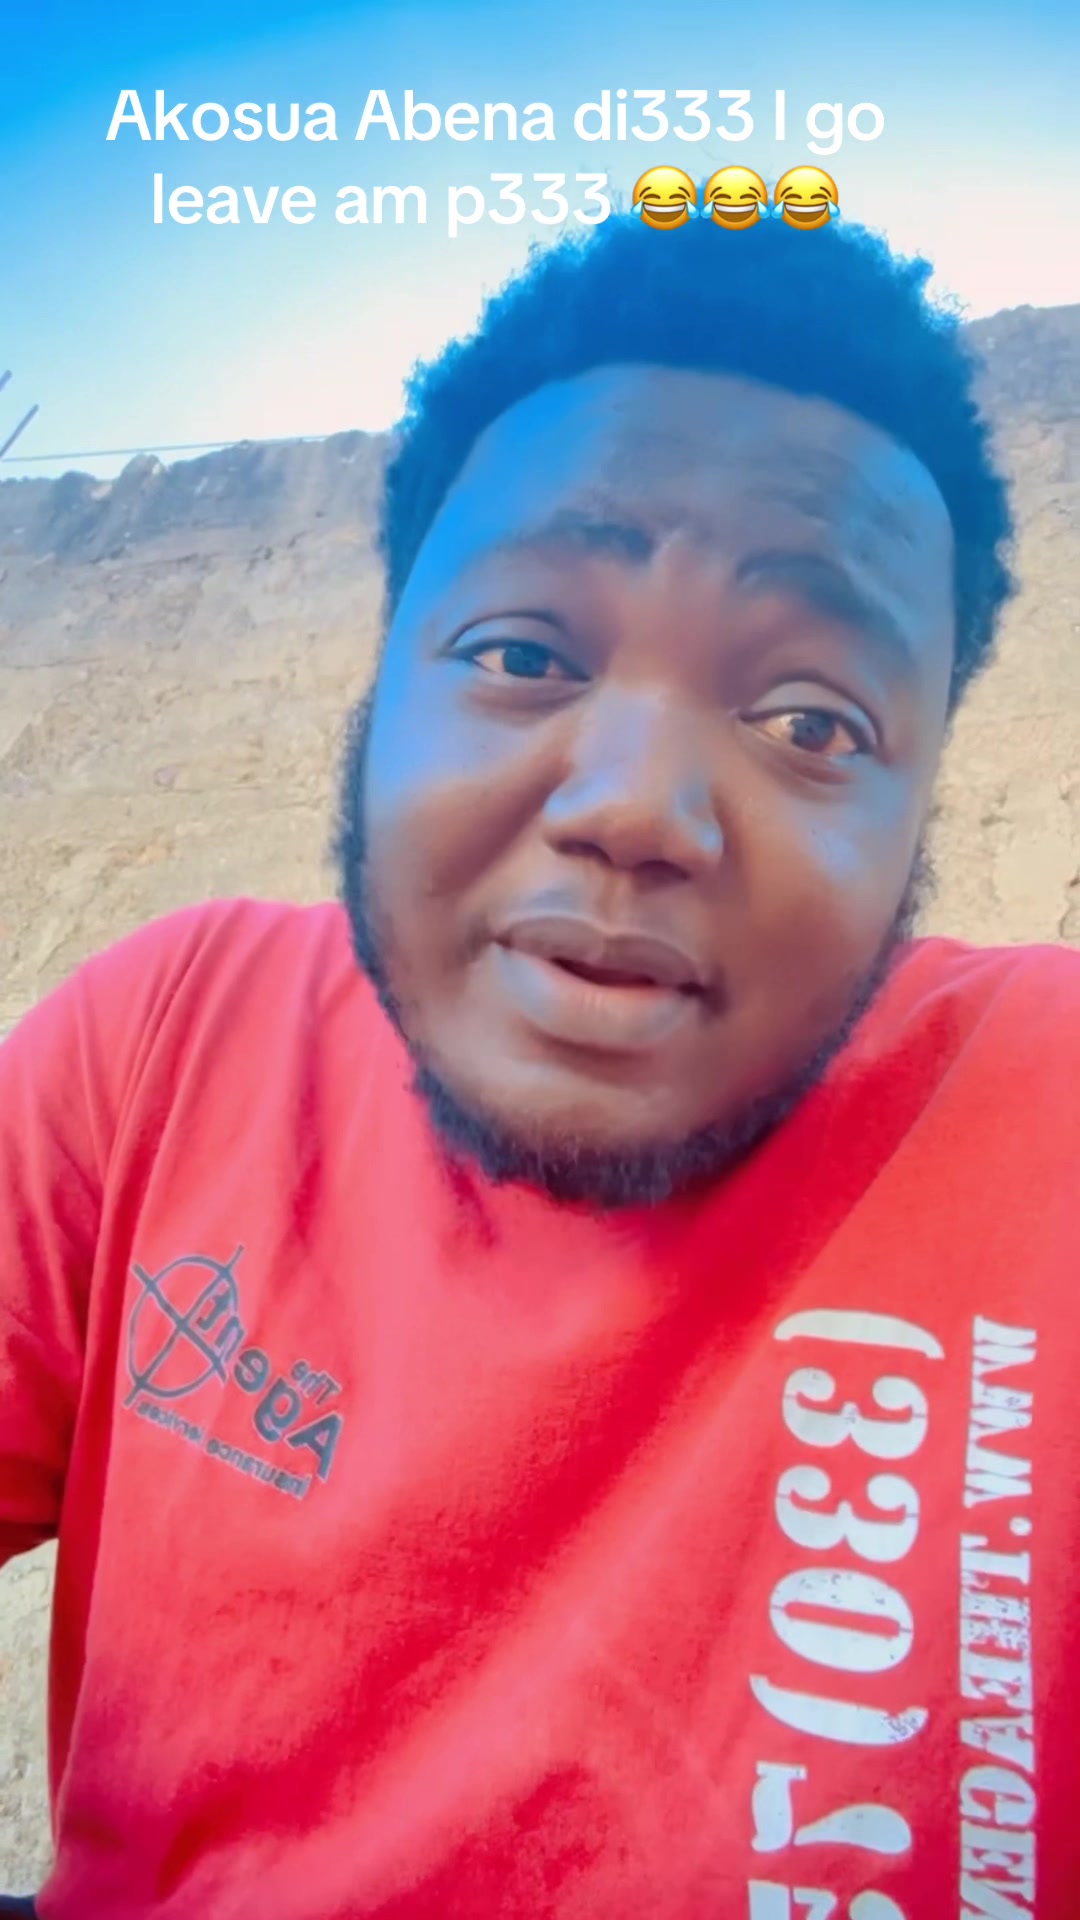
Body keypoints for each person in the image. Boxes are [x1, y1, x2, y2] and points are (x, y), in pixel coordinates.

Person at [0, 209, 1074, 1920]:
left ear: (922, 799)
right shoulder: (169, 1044)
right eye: (523, 654)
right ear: (381, 683)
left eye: (811, 721)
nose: (637, 806)